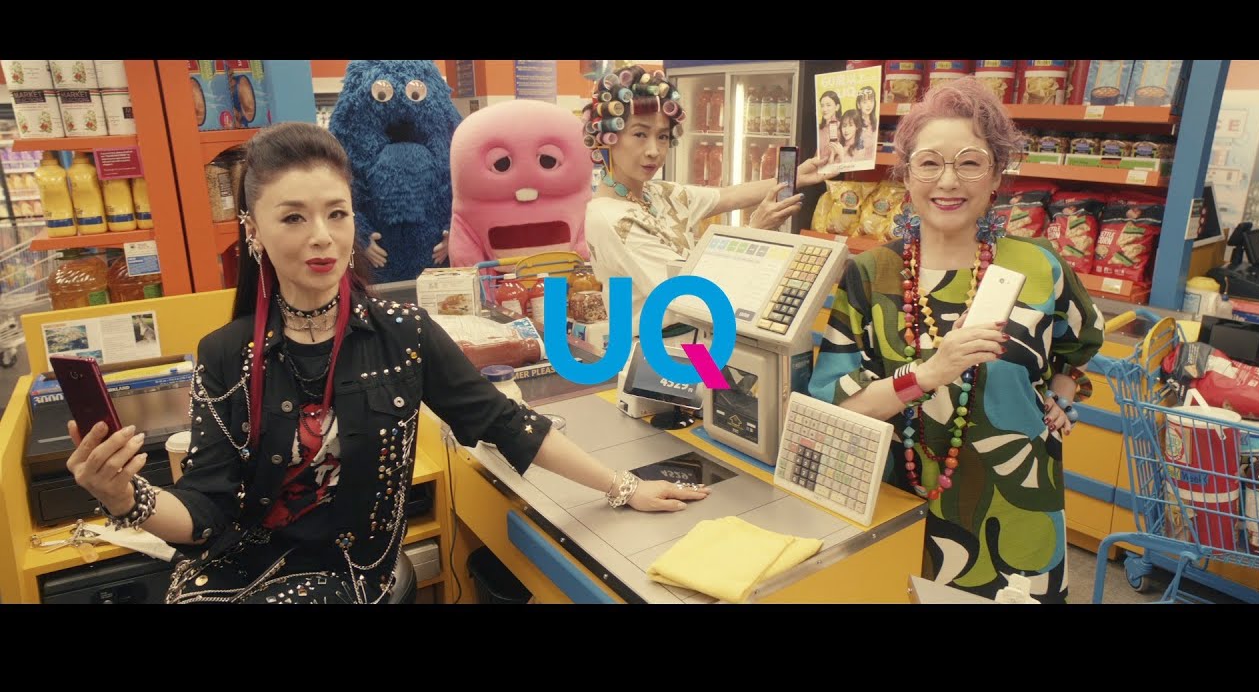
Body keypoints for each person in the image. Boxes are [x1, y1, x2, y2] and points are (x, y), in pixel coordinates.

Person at [63, 122, 710, 604]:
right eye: (293, 217)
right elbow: (203, 515)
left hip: (344, 578)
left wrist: (623, 487)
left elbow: (505, 423)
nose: (322, 236)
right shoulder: (226, 354)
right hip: (231, 576)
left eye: (336, 213)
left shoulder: (402, 334)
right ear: (253, 230)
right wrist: (125, 496)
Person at [809, 77, 1104, 603]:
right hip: (903, 510)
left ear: (996, 175)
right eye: (929, 163)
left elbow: (1080, 340)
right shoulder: (870, 274)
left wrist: (1062, 392)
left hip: (1021, 513)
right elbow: (837, 402)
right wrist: (927, 375)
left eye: (970, 162)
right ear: (907, 175)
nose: (948, 181)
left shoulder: (1040, 266)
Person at [583, 65, 835, 336]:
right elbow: (688, 295)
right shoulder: (612, 219)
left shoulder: (658, 193)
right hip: (659, 348)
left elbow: (728, 195)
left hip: (695, 338)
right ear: (608, 138)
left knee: (739, 366)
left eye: (663, 136)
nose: (654, 151)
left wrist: (796, 176)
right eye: (640, 134)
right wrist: (755, 231)